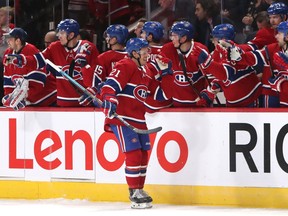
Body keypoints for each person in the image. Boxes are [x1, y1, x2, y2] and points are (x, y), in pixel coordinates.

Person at [99, 37, 173, 209]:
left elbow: (164, 95)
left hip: (139, 119)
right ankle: (134, 191)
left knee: (142, 155)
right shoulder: (125, 65)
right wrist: (109, 98)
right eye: (145, 51)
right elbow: (109, 86)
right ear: (134, 53)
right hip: (122, 118)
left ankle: (139, 189)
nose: (148, 54)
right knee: (133, 154)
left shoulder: (146, 71)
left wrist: (166, 73)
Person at [3, 19, 100, 107]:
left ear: (71, 35)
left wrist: (94, 90)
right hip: (63, 103)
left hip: (85, 102)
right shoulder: (55, 47)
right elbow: (38, 60)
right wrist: (21, 59)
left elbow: (98, 72)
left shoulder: (87, 47)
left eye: (62, 33)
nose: (58, 36)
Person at [193, 24, 262, 107]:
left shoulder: (239, 51)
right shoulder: (215, 55)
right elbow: (216, 79)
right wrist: (208, 95)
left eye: (214, 38)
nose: (212, 41)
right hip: (232, 103)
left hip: (251, 99)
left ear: (222, 40)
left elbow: (226, 73)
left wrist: (208, 63)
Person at [2, 28, 56, 110]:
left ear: (18, 41)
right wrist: (11, 96)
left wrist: (25, 98)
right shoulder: (8, 53)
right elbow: (8, 80)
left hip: (48, 99)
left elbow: (39, 81)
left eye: (10, 39)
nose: (8, 41)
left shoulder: (31, 50)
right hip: (30, 103)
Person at [159, 20, 208, 107]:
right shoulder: (167, 49)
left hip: (198, 104)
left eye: (174, 36)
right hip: (176, 104)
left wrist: (206, 95)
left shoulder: (200, 51)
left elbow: (209, 76)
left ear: (183, 38)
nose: (172, 39)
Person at [79, 24, 129, 106]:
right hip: (128, 98)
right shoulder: (132, 56)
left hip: (109, 99)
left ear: (114, 39)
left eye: (108, 36)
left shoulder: (105, 57)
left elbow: (93, 83)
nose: (106, 39)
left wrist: (84, 65)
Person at [140, 21, 173, 112]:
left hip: (148, 99)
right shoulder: (166, 51)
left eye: (143, 33)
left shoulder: (140, 52)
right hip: (167, 98)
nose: (141, 35)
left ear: (150, 37)